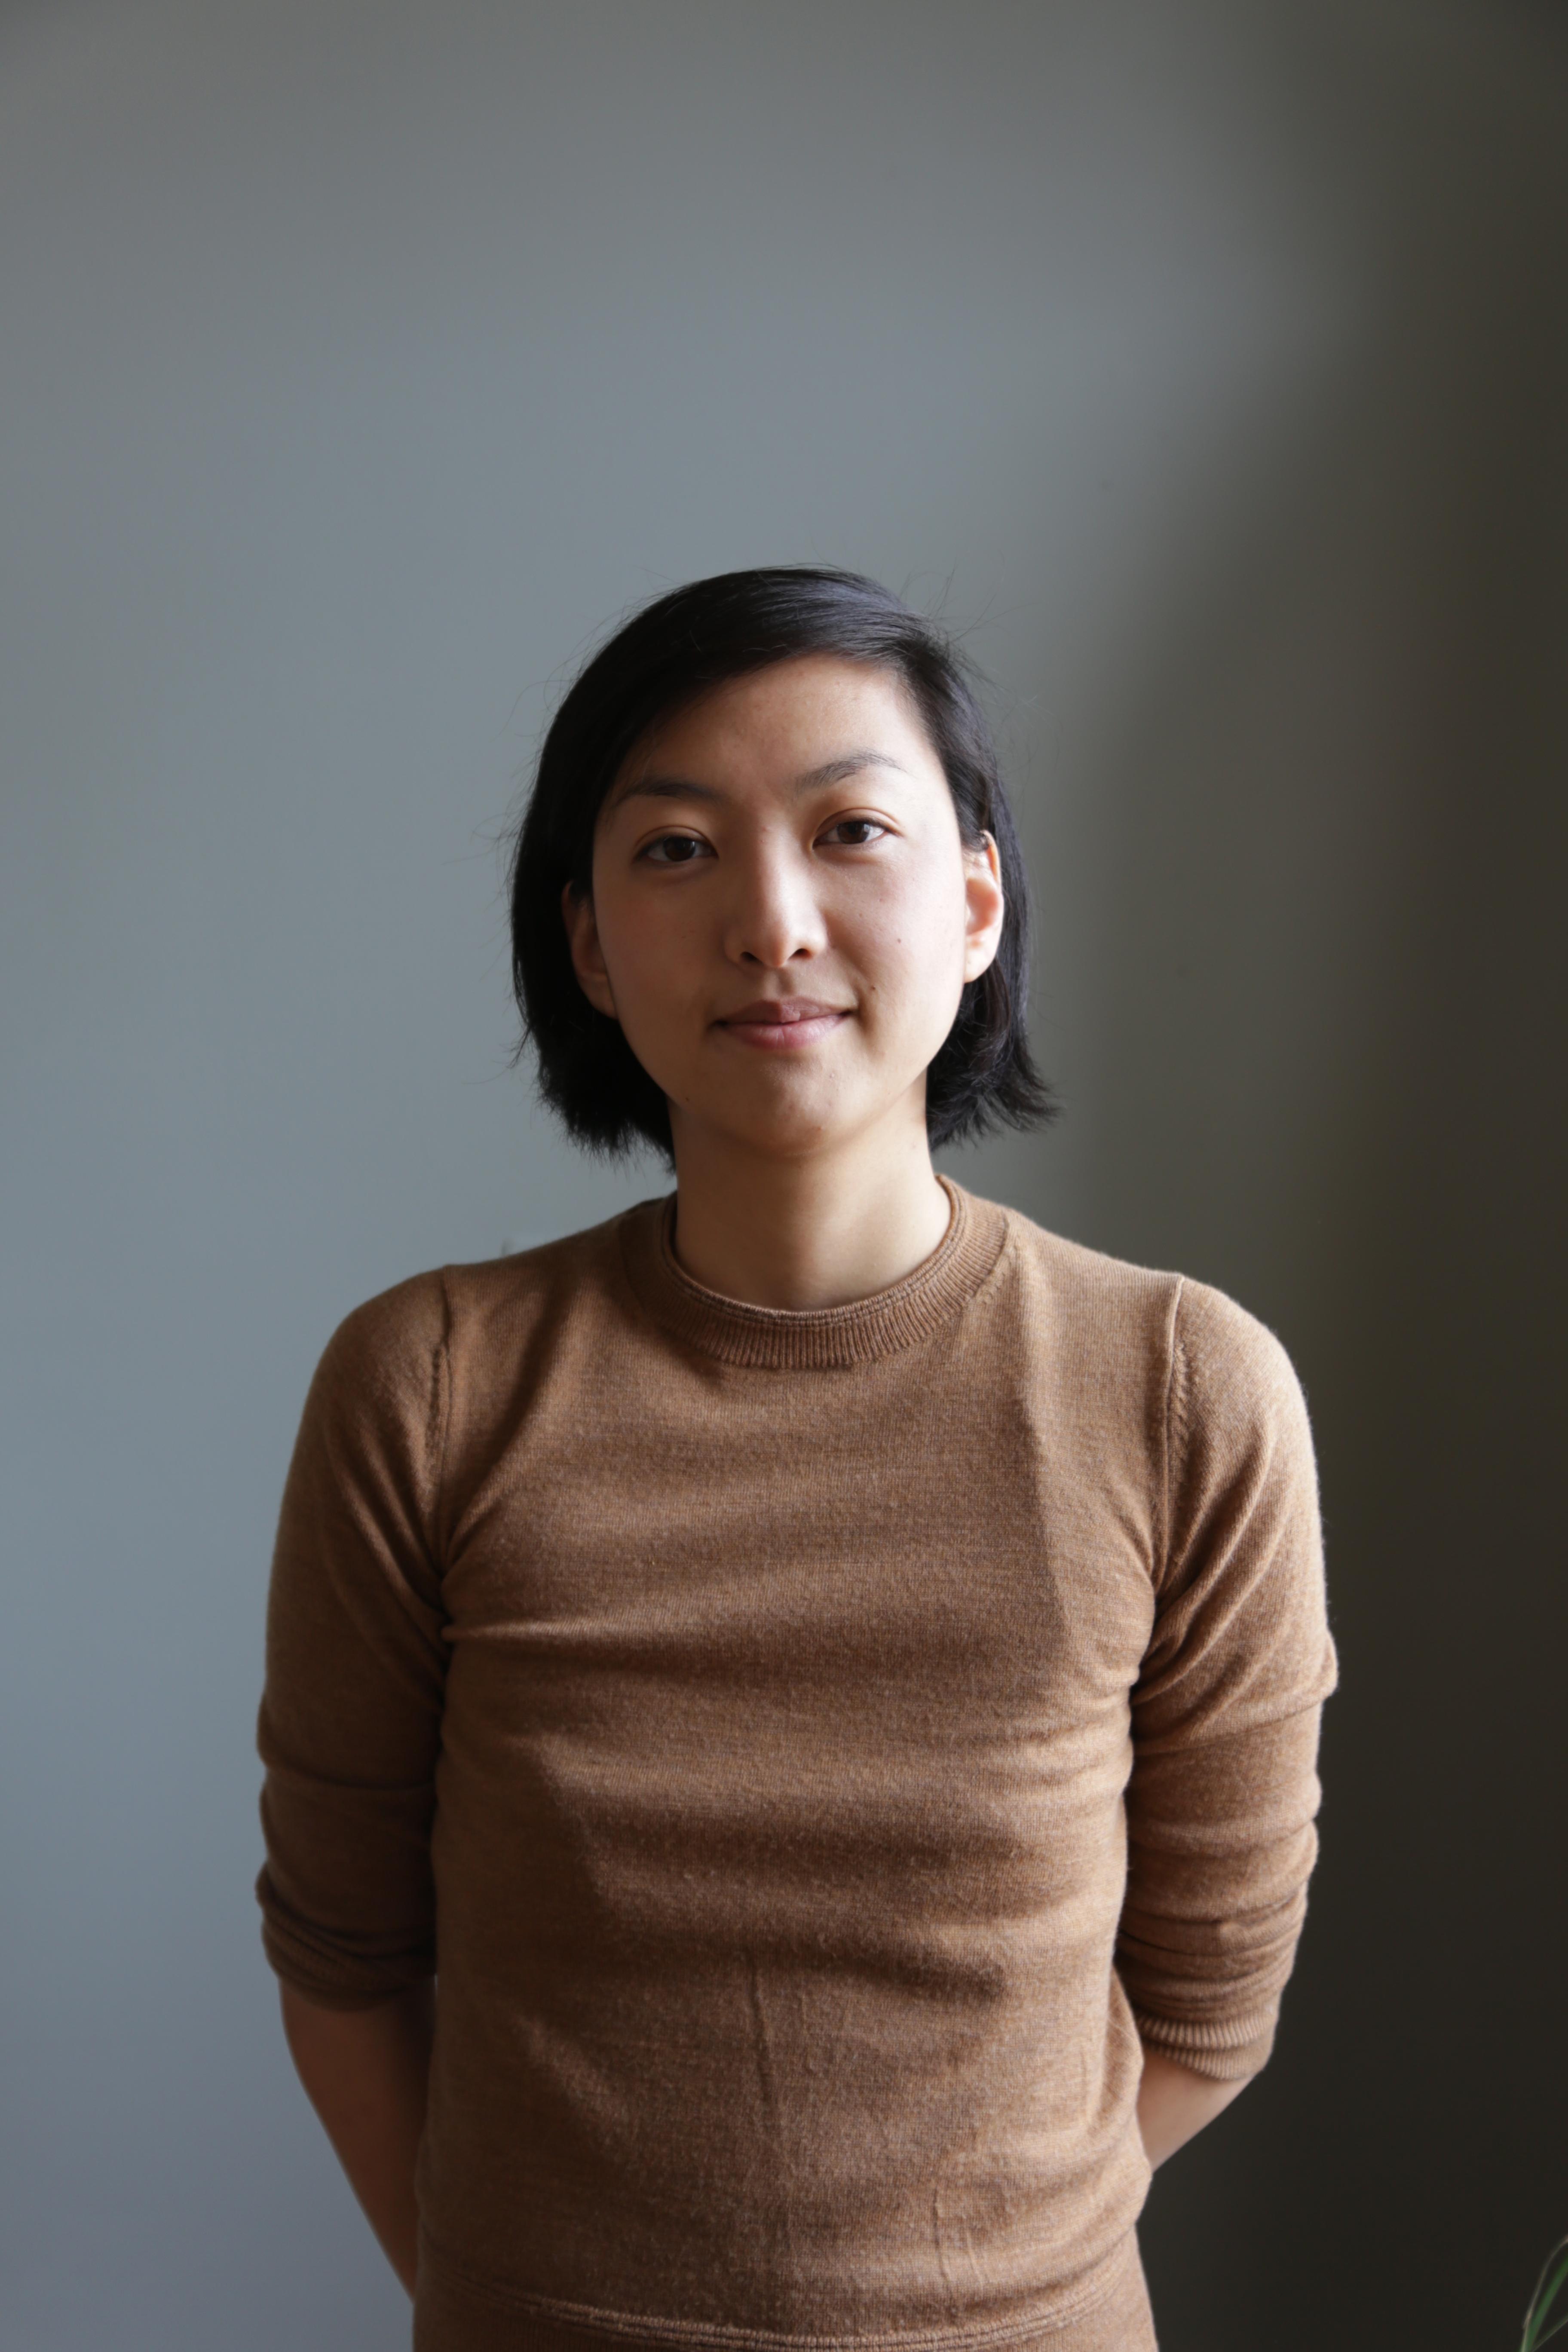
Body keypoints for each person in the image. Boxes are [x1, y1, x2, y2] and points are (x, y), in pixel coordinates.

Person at [256, 567, 1337, 2352]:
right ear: (590, 943)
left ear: (978, 901)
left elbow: (1216, 1999)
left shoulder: (1181, 1387)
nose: (772, 921)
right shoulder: (430, 1385)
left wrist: (964, 2283)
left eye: (851, 831)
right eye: (676, 849)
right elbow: (344, 1966)